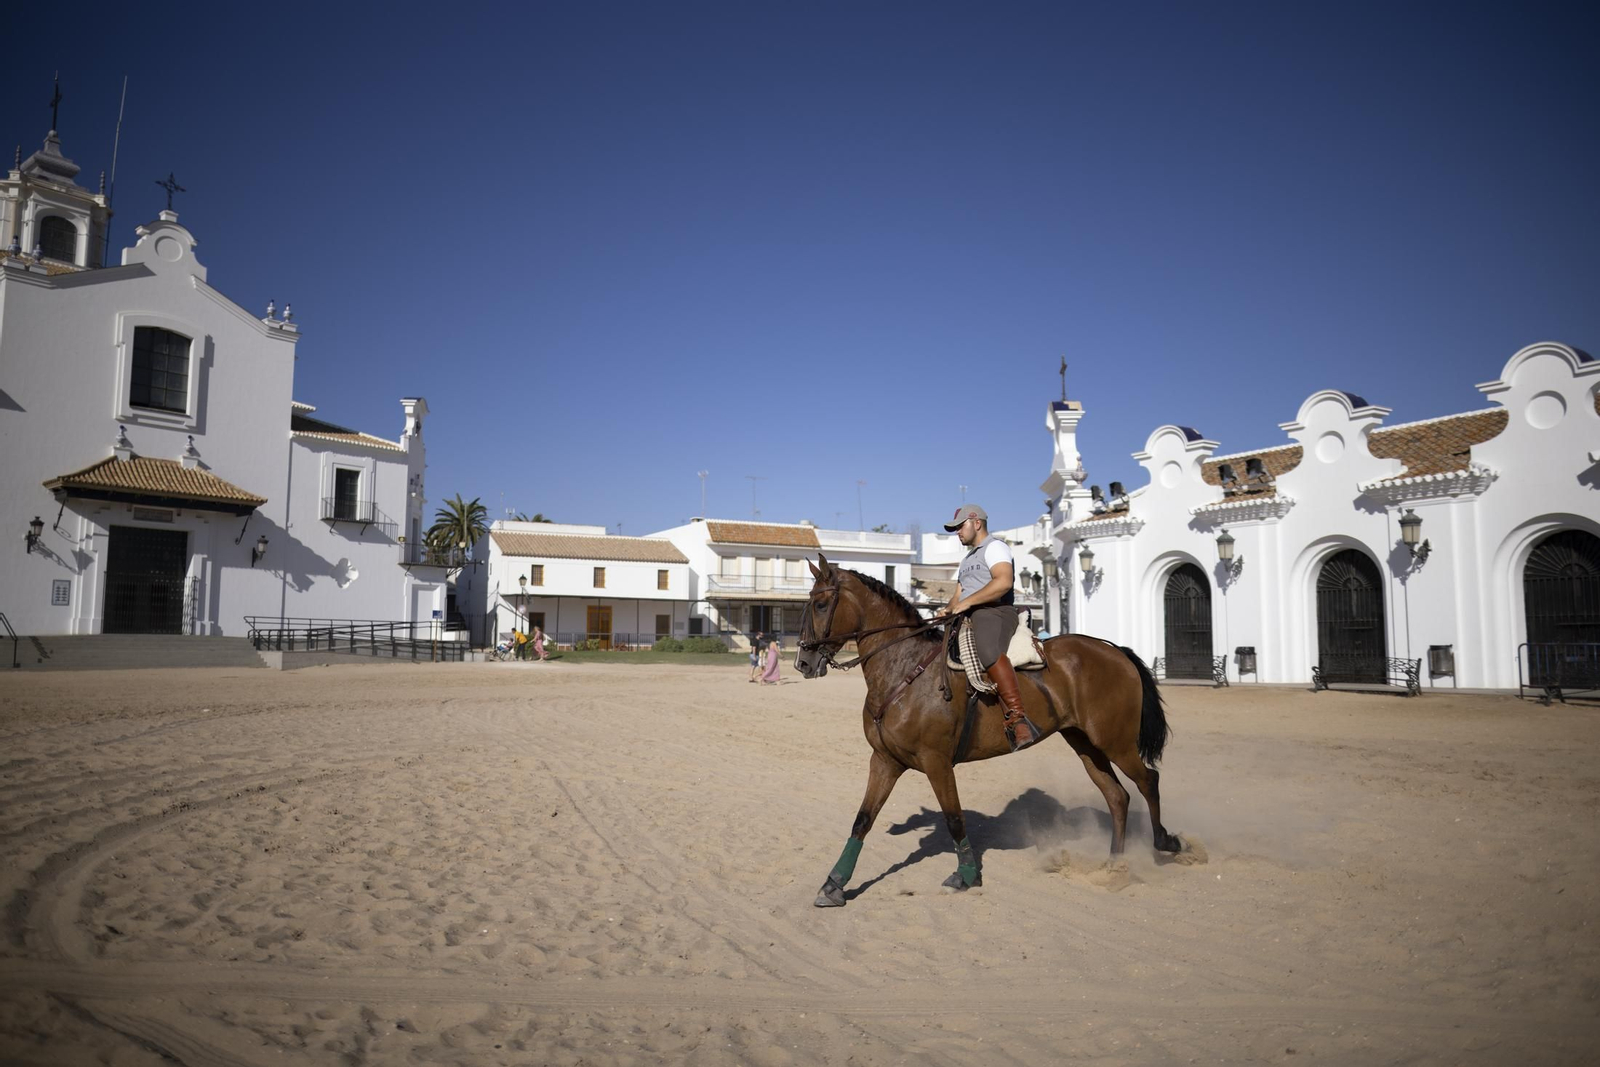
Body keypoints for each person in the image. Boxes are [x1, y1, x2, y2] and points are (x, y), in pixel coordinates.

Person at [944, 504, 1043, 751]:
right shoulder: (967, 560)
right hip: (969, 613)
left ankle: (1017, 718)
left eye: (960, 527)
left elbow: (1003, 582)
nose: (957, 532)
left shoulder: (995, 547)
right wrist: (947, 610)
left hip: (995, 612)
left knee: (988, 651)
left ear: (976, 523)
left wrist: (968, 602)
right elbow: (957, 596)